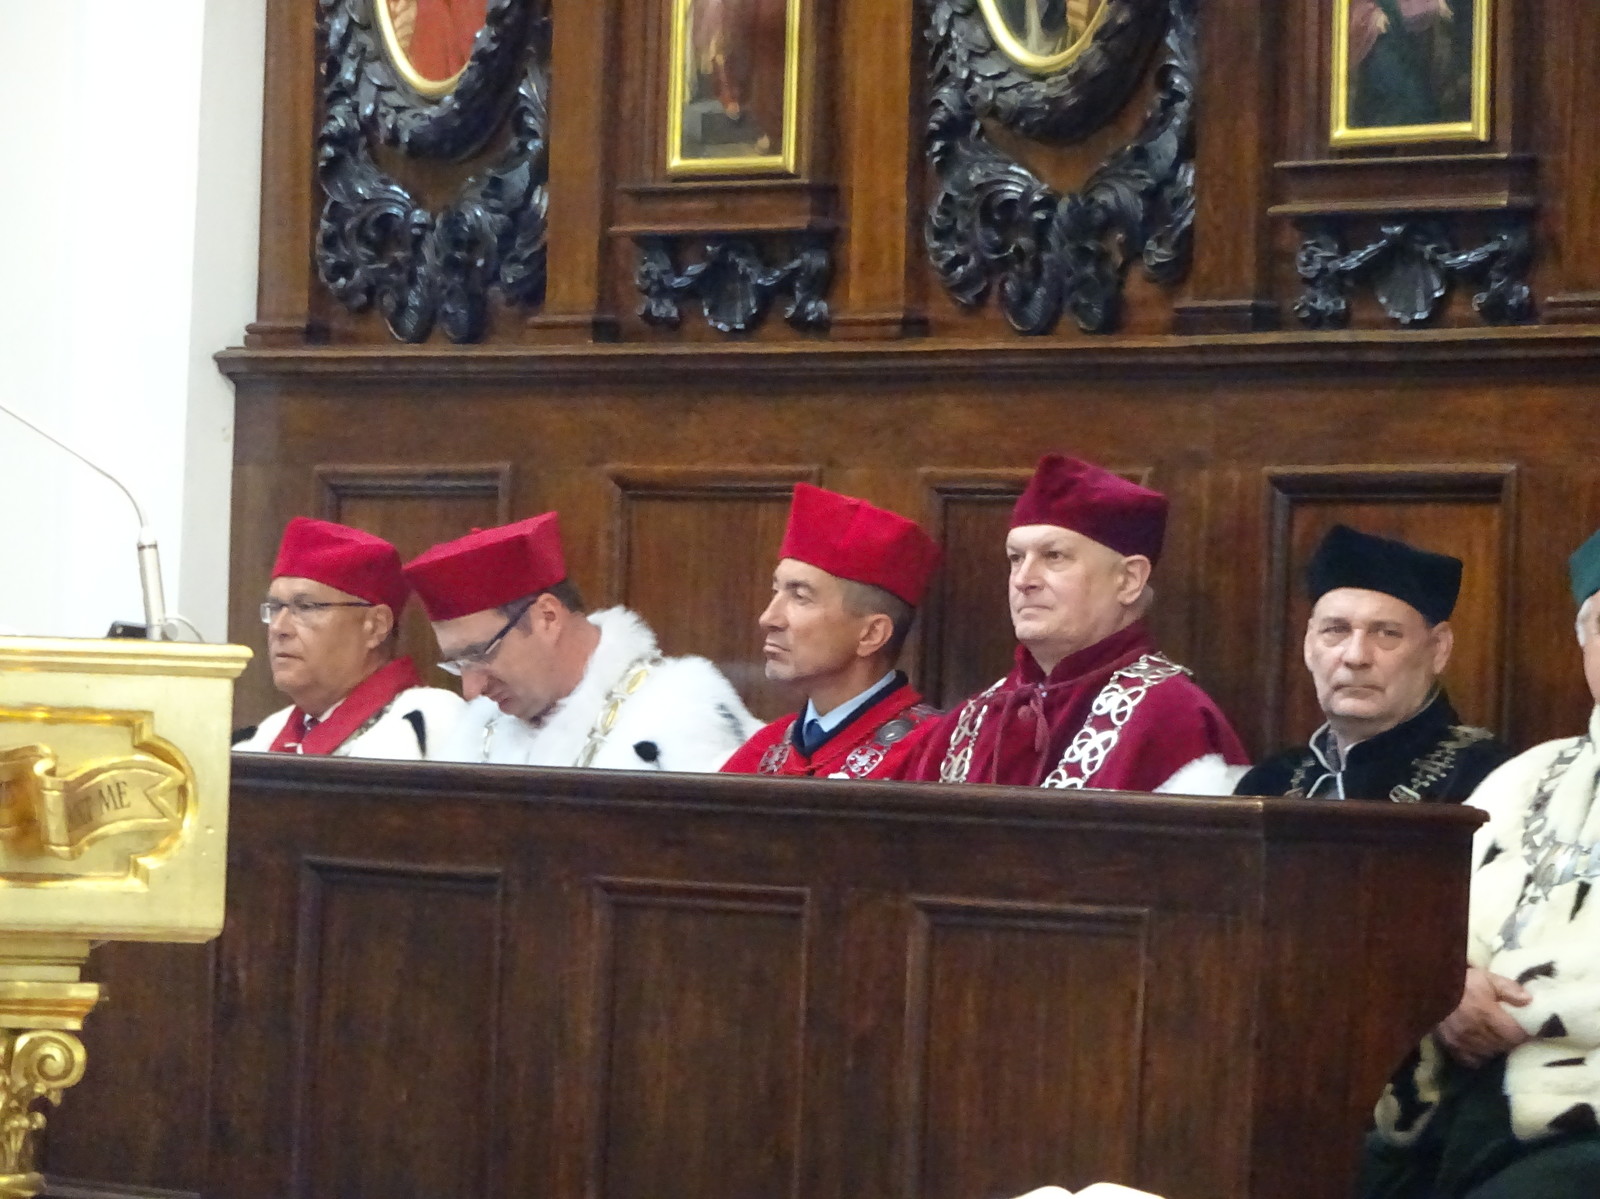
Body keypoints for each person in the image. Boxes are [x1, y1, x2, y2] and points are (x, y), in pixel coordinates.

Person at [1360, 528, 1600, 1198]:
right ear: (1584, 643)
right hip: (1455, 1092)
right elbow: (1429, 929)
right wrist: (1450, 987)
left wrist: (1535, 1011)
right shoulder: (1523, 778)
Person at [897, 454, 1248, 792]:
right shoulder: (970, 720)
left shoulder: (1175, 719)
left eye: (1054, 556)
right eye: (1016, 558)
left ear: (1129, 579)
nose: (1024, 579)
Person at [403, 512, 757, 769]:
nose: (471, 690)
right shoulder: (478, 729)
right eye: (458, 664)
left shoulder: (678, 716)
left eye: (481, 654)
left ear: (548, 617)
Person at [1236, 524, 1510, 802]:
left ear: (1438, 648)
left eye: (1386, 633)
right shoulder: (1268, 783)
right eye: (1336, 630)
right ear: (1308, 644)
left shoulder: (1489, 781)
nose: (1356, 657)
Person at [721, 484, 943, 779]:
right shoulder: (762, 749)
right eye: (775, 591)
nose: (768, 618)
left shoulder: (932, 753)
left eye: (800, 597)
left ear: (871, 634)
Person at [234, 517, 464, 759]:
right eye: (275, 607)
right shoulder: (267, 733)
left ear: (375, 626)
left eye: (306, 607)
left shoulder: (428, 722)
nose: (279, 627)